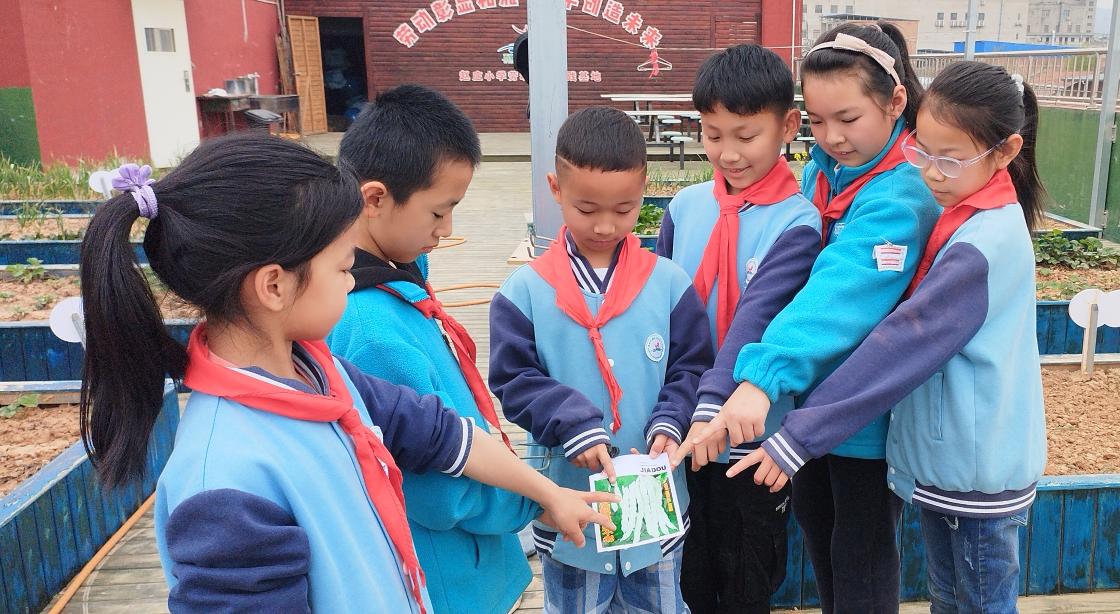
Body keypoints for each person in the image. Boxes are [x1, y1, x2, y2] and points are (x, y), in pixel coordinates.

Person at [78, 134, 613, 613]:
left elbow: (443, 434)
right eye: (341, 269)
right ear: (274, 286)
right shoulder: (224, 483)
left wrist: (549, 494)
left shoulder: (322, 373)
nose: (352, 282)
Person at [729, 61, 1049, 614]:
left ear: (1005, 151)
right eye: (923, 152)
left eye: (951, 159)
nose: (932, 173)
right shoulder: (961, 217)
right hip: (950, 463)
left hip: (976, 469)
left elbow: (902, 343)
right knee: (951, 597)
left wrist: (800, 433)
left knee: (974, 600)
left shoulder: (983, 242)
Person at [676, 22, 940, 613]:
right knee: (823, 550)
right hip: (807, 414)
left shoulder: (898, 197)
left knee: (861, 564)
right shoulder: (827, 170)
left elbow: (836, 296)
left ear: (895, 102)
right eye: (818, 121)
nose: (832, 137)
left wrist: (761, 377)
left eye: (847, 119)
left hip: (860, 420)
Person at [489, 106, 714, 613]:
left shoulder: (669, 284)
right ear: (555, 188)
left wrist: (672, 420)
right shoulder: (525, 291)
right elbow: (513, 380)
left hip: (653, 502)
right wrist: (574, 425)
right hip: (572, 505)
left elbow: (692, 368)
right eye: (587, 209)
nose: (607, 225)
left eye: (626, 209)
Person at [328, 84, 537, 614]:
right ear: (374, 198)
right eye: (439, 212)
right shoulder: (367, 325)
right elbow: (435, 490)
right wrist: (532, 500)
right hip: (449, 582)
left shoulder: (398, 278)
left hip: (478, 564)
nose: (446, 231)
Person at [653, 44, 822, 614]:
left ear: (788, 127)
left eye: (745, 136)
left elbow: (760, 315)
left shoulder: (798, 223)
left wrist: (712, 408)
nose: (727, 153)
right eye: (712, 133)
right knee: (688, 571)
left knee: (750, 574)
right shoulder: (683, 207)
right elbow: (665, 310)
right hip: (680, 432)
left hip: (754, 442)